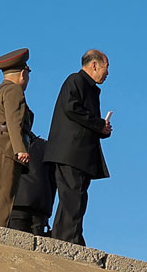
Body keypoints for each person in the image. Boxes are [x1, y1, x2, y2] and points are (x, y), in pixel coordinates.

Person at [47, 49, 112, 245]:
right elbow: (71, 107)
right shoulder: (76, 80)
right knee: (72, 196)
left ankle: (65, 236)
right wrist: (98, 123)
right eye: (106, 67)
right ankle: (68, 239)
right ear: (94, 65)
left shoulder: (89, 87)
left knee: (77, 196)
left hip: (80, 154)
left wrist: (101, 128)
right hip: (71, 152)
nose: (107, 73)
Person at [0, 48, 35, 226]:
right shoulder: (14, 91)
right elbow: (14, 121)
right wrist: (20, 149)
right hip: (5, 149)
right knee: (3, 201)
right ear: (23, 73)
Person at [7, 132, 57, 235]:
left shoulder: (11, 144)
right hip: (41, 208)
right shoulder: (46, 147)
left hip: (16, 204)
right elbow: (53, 181)